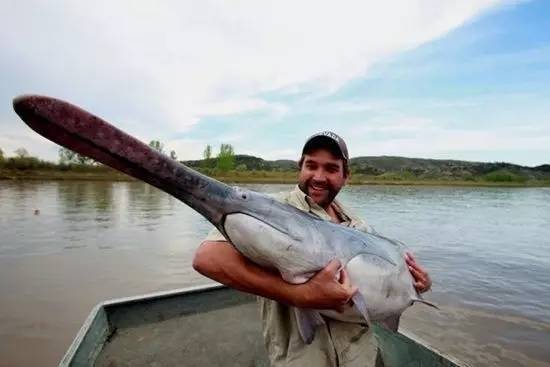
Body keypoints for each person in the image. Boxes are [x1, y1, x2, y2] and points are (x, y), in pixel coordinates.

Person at [193, 131, 432, 367]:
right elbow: (208, 258)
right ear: (300, 167)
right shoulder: (267, 210)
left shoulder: (359, 225)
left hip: (361, 359)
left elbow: (385, 293)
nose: (318, 176)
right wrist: (300, 295)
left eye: (330, 168)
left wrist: (417, 286)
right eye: (311, 165)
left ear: (345, 176)